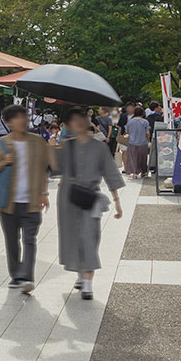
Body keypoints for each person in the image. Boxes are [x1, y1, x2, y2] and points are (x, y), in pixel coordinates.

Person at [52, 108, 124, 301]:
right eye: (74, 121)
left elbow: (110, 173)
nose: (80, 123)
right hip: (68, 196)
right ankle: (80, 274)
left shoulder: (99, 147)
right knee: (73, 237)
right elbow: (53, 169)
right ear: (68, 126)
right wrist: (51, 148)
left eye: (82, 119)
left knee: (90, 237)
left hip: (90, 197)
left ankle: (87, 282)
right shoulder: (67, 146)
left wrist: (117, 202)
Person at [0, 104, 53, 294]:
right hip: (9, 203)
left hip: (31, 201)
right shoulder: (2, 143)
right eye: (17, 117)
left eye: (24, 116)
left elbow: (44, 168)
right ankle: (16, 274)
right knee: (12, 240)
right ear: (9, 122)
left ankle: (27, 277)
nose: (22, 120)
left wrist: (44, 193)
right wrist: (4, 162)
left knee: (30, 240)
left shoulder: (37, 141)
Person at [124, 108, 151, 177]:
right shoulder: (145, 121)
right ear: (142, 113)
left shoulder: (130, 121)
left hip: (132, 142)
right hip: (143, 142)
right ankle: (143, 172)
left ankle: (134, 173)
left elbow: (127, 131)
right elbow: (147, 132)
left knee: (133, 158)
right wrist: (148, 139)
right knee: (142, 158)